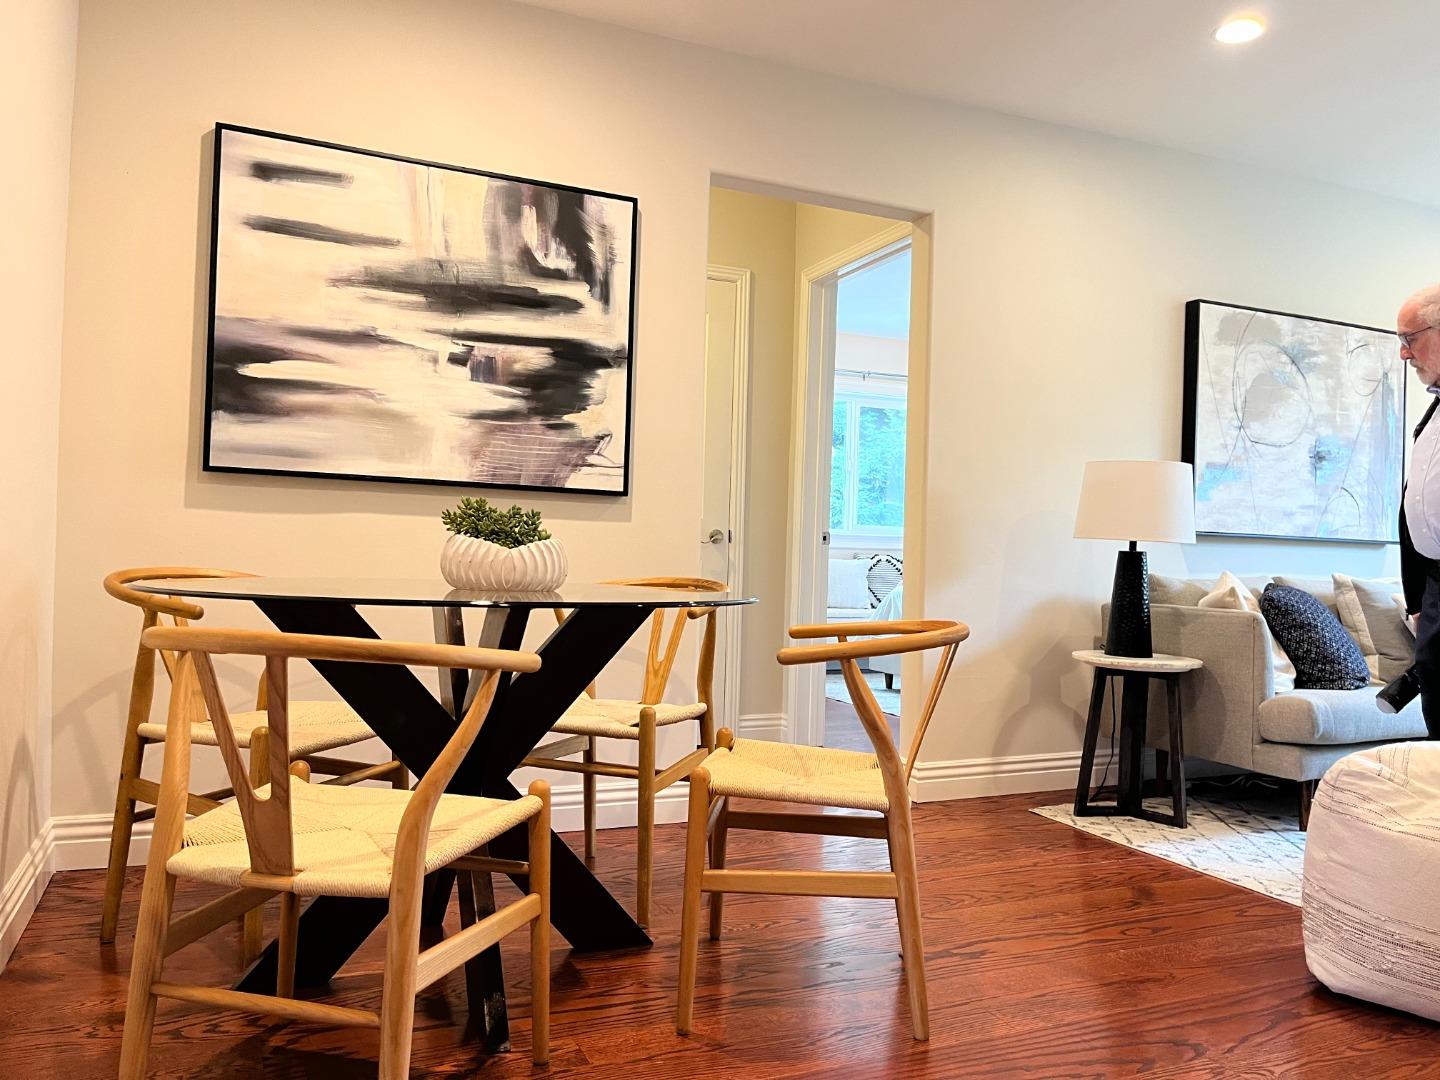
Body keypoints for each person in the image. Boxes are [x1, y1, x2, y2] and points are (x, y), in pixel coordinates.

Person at [1398, 284, 1440, 737]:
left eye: (1410, 339)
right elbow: (1415, 508)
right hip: (1434, 590)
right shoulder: (1431, 414)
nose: (1404, 355)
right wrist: (1416, 601)